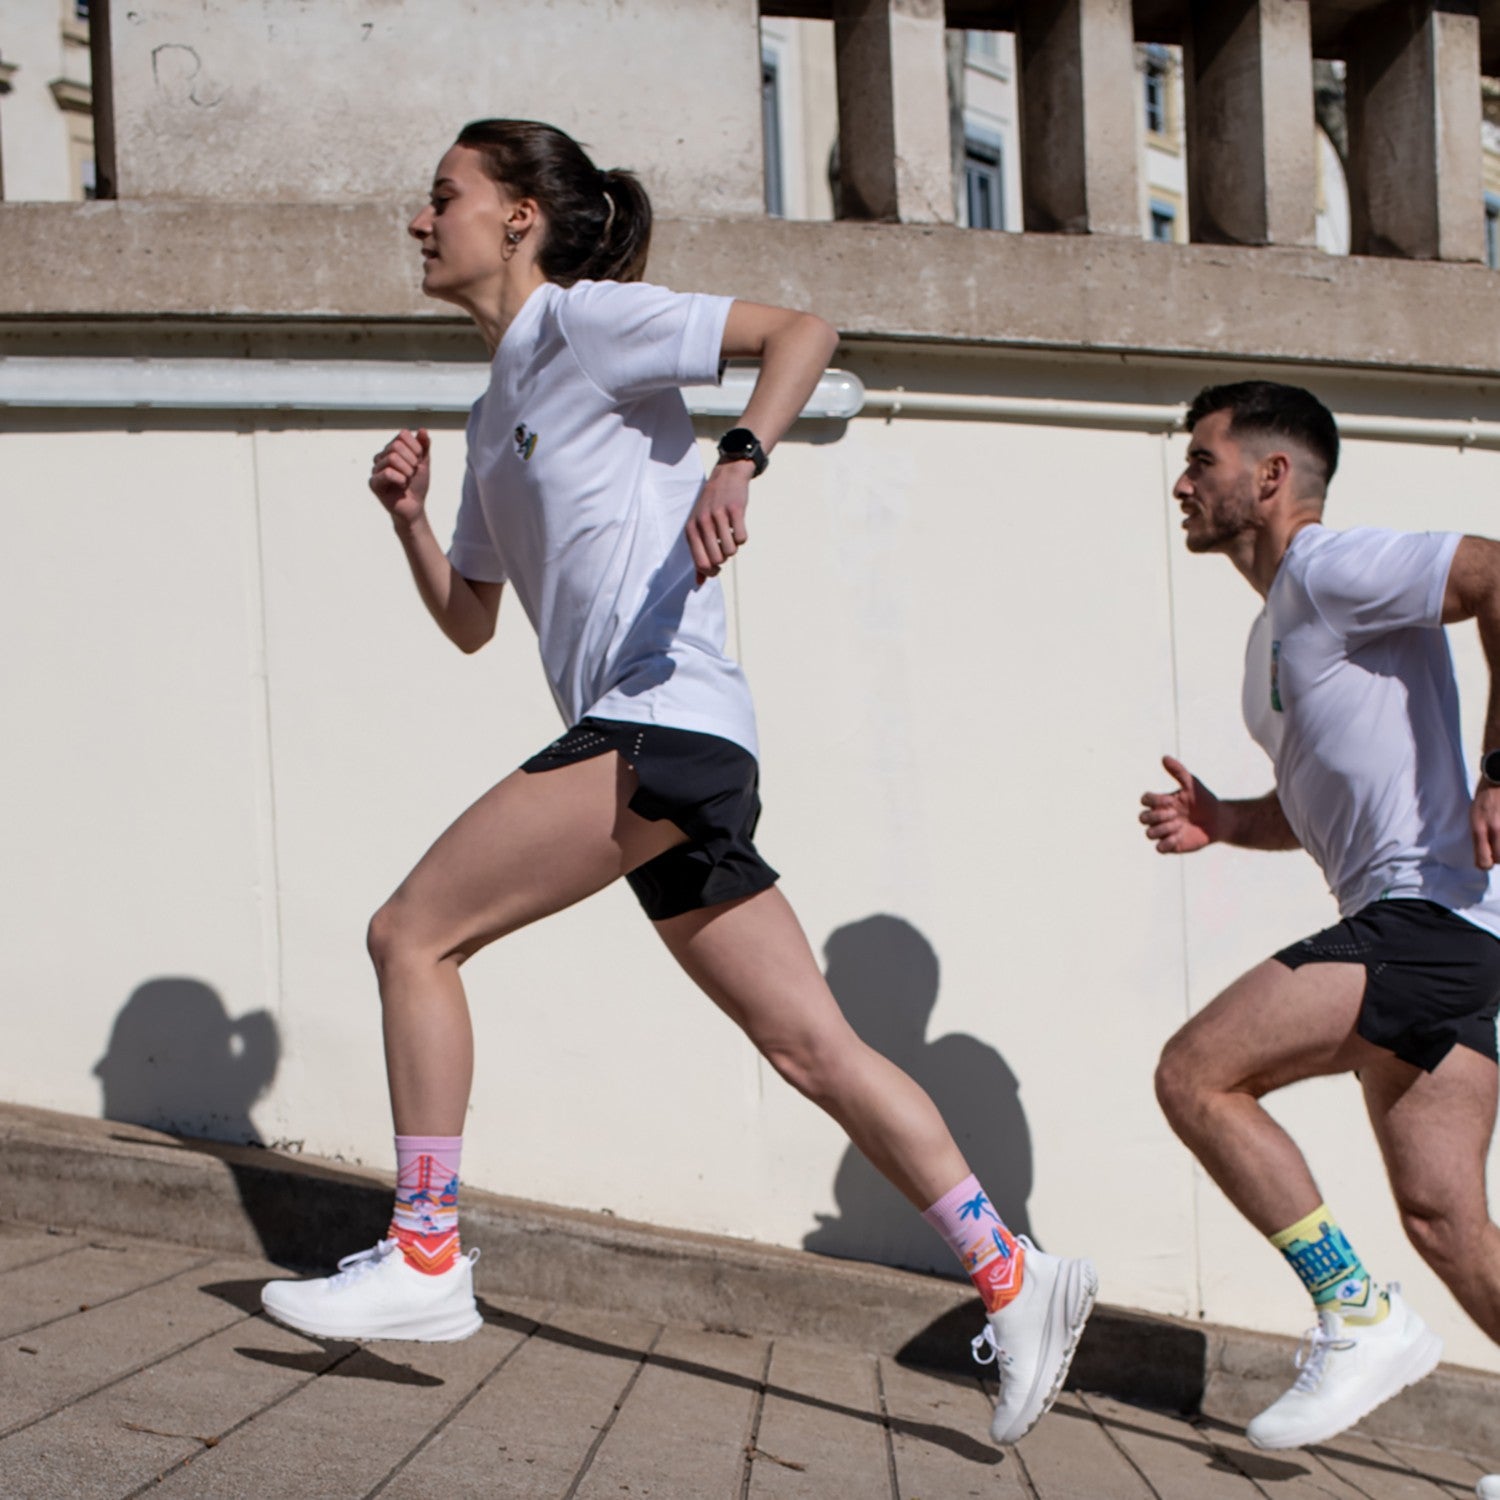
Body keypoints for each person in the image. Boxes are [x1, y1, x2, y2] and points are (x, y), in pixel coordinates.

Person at [258, 118, 1096, 1446]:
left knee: (411, 933)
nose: (421, 224)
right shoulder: (493, 412)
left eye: (444, 199)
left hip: (658, 723)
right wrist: (411, 522)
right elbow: (475, 620)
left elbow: (803, 331)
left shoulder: (588, 326)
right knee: (807, 1044)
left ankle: (424, 1252)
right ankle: (1017, 1272)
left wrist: (740, 455)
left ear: (521, 215)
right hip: (672, 743)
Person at [1141, 380, 1500, 1482]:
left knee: (1197, 1074)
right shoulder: (1277, 639)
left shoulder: (1331, 568)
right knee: (1445, 1218)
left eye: (1203, 460)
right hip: (1445, 938)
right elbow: (1320, 802)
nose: (1183, 483)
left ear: (1273, 474)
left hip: (1427, 917)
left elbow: (1496, 572)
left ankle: (1359, 1313)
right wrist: (1226, 820)